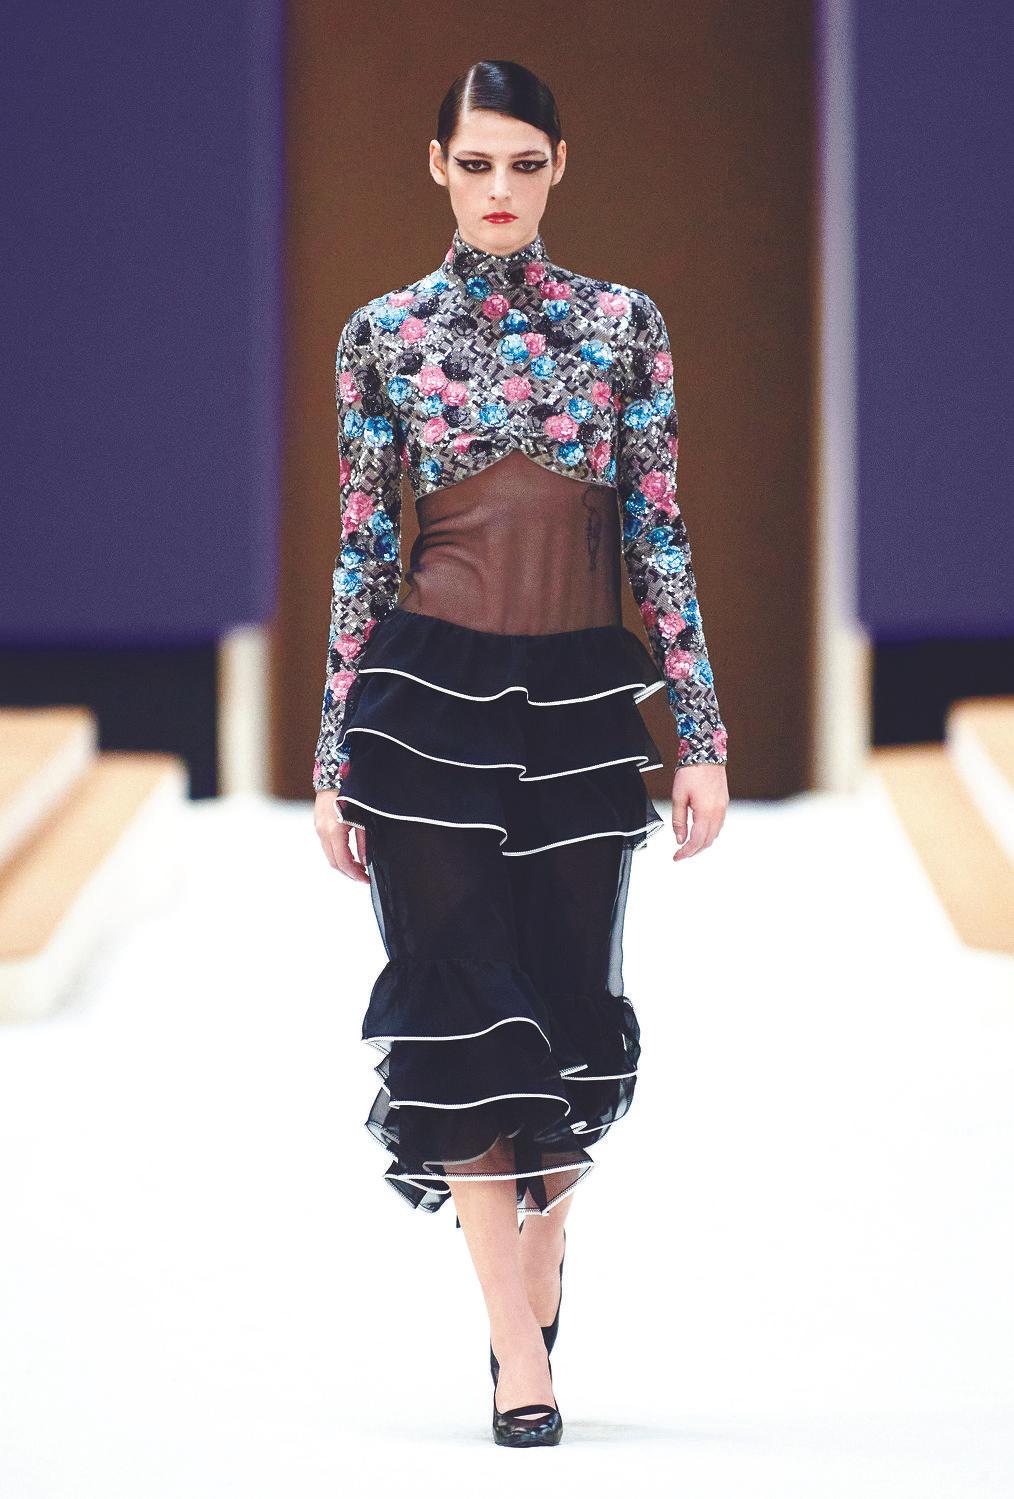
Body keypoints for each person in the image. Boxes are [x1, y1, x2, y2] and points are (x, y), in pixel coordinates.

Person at [311, 59, 729, 1447]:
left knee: (566, 1007)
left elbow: (656, 529)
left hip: (575, 702)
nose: (499, 188)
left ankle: (544, 1243)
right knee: (458, 1016)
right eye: (476, 162)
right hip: (424, 705)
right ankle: (513, 1348)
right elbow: (364, 548)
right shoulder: (383, 334)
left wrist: (698, 734)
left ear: (559, 167)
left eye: (525, 164)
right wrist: (332, 754)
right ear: (437, 164)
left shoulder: (620, 325)